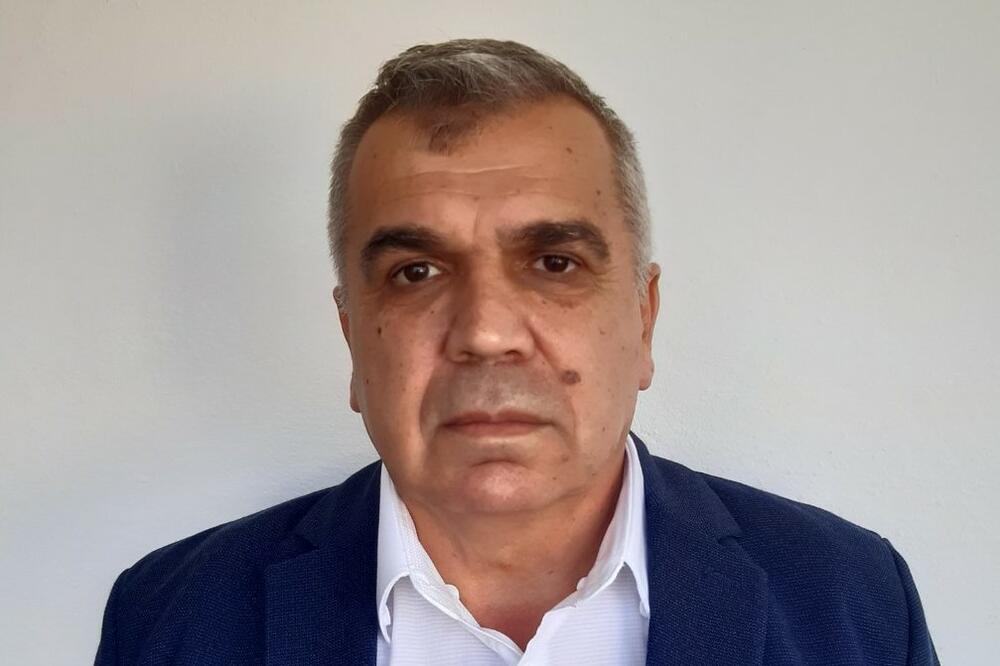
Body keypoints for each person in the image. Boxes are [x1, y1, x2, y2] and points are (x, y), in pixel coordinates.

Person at [95, 39, 938, 665]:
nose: (486, 332)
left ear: (643, 322)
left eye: (554, 263)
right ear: (353, 337)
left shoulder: (853, 603)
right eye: (416, 271)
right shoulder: (171, 619)